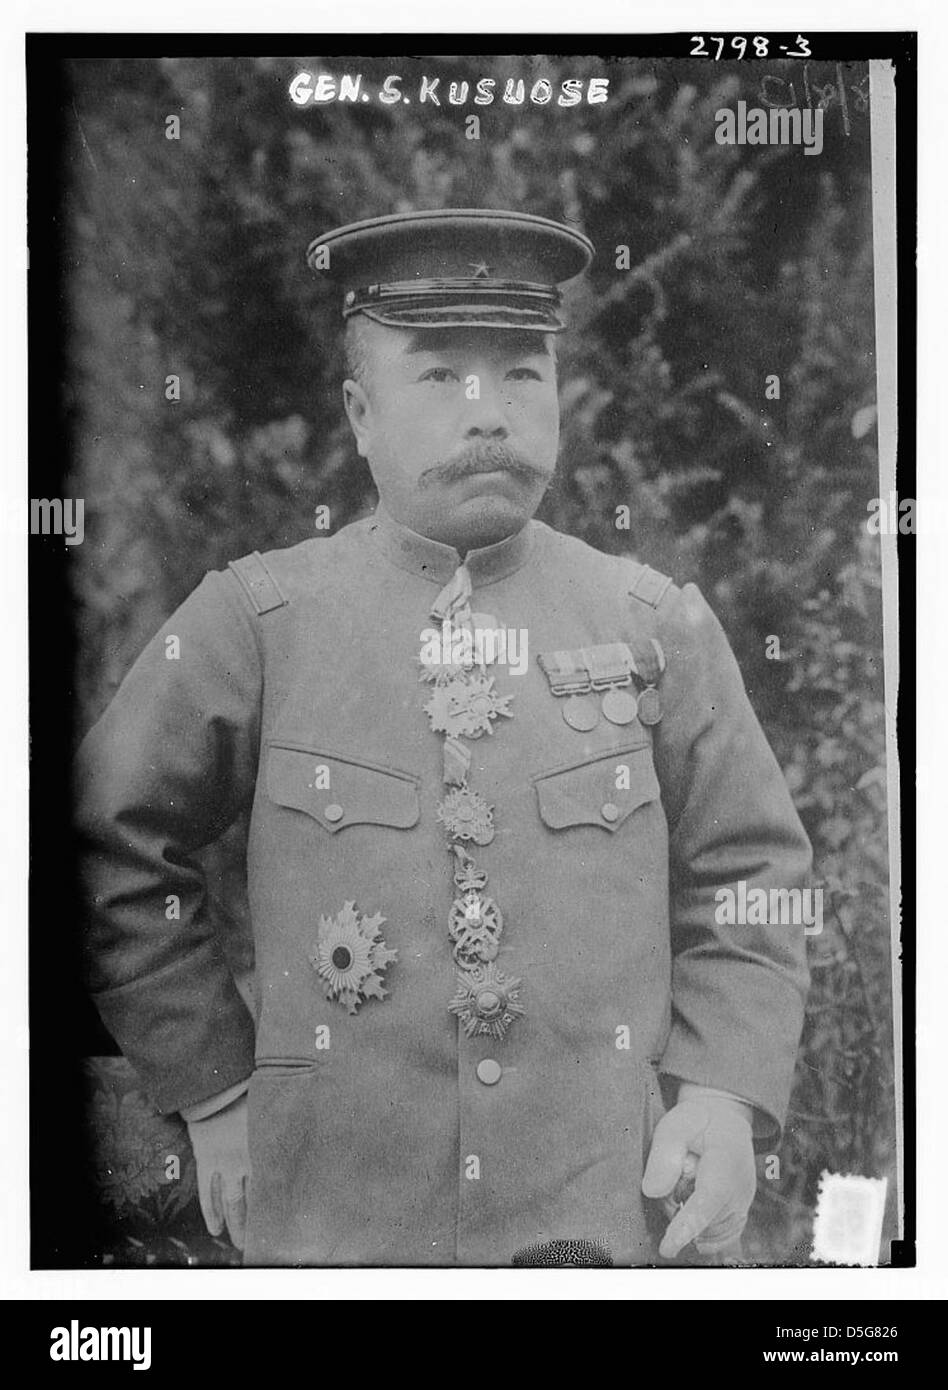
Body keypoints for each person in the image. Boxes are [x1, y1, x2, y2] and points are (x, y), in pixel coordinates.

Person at [76, 208, 811, 1267]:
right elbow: (102, 843)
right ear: (358, 413)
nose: (488, 416)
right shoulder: (259, 621)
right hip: (333, 1228)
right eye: (437, 377)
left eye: (522, 373)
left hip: (600, 1226)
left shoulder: (654, 623)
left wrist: (724, 1098)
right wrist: (214, 1081)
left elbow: (754, 873)